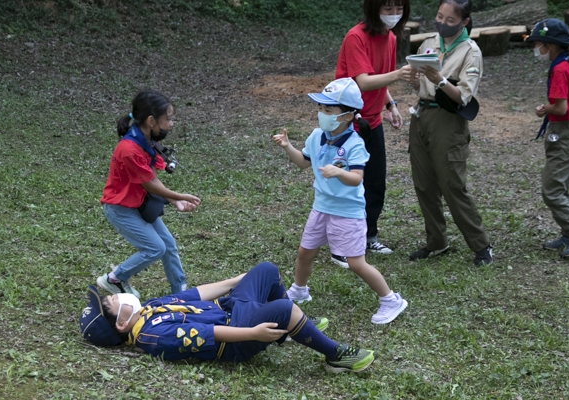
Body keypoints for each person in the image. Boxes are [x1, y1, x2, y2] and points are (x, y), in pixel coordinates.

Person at [273, 78, 408, 324]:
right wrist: (287, 146)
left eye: (328, 110)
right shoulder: (316, 136)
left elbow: (356, 179)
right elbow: (303, 162)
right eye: (321, 109)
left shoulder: (355, 144)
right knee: (305, 251)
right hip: (321, 207)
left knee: (356, 263)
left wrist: (338, 172)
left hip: (348, 212)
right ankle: (300, 291)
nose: (322, 114)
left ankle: (391, 300)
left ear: (347, 116)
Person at [80, 262, 376, 373]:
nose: (116, 294)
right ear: (121, 323)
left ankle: (293, 328)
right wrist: (253, 334)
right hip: (235, 337)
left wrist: (236, 279)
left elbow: (197, 294)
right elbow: (212, 336)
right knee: (284, 310)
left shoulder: (149, 308)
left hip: (233, 310)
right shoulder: (152, 335)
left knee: (265, 270)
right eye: (112, 300)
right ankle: (335, 354)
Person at [407, 0, 492, 266]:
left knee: (452, 185)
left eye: (450, 20)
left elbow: (464, 97)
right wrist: (415, 80)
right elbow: (420, 83)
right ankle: (437, 241)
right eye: (439, 17)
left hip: (448, 120)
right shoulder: (429, 42)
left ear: (465, 22)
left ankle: (481, 246)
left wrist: (440, 80)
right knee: (424, 184)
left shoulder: (471, 51)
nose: (442, 23)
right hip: (421, 115)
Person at [97, 90, 201, 298]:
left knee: (168, 245)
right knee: (155, 248)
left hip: (137, 205)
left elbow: (152, 178)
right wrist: (180, 196)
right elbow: (150, 185)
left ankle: (180, 292)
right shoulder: (129, 148)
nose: (171, 124)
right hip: (120, 209)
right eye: (168, 119)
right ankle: (114, 279)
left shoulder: (147, 141)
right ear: (152, 120)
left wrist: (174, 201)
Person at [333, 0, 414, 267]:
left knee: (375, 183)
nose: (393, 15)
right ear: (373, 8)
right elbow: (364, 80)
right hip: (347, 124)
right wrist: (399, 74)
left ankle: (369, 236)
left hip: (373, 123)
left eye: (398, 9)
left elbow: (380, 76)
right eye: (387, 9)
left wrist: (390, 105)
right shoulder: (356, 36)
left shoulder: (389, 37)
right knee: (345, 186)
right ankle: (341, 245)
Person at [525, 19, 569, 257]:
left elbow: (561, 108)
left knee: (551, 190)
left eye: (539, 43)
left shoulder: (560, 69)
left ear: (550, 45)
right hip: (566, 131)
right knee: (561, 187)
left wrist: (545, 108)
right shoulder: (566, 63)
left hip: (565, 133)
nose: (537, 48)